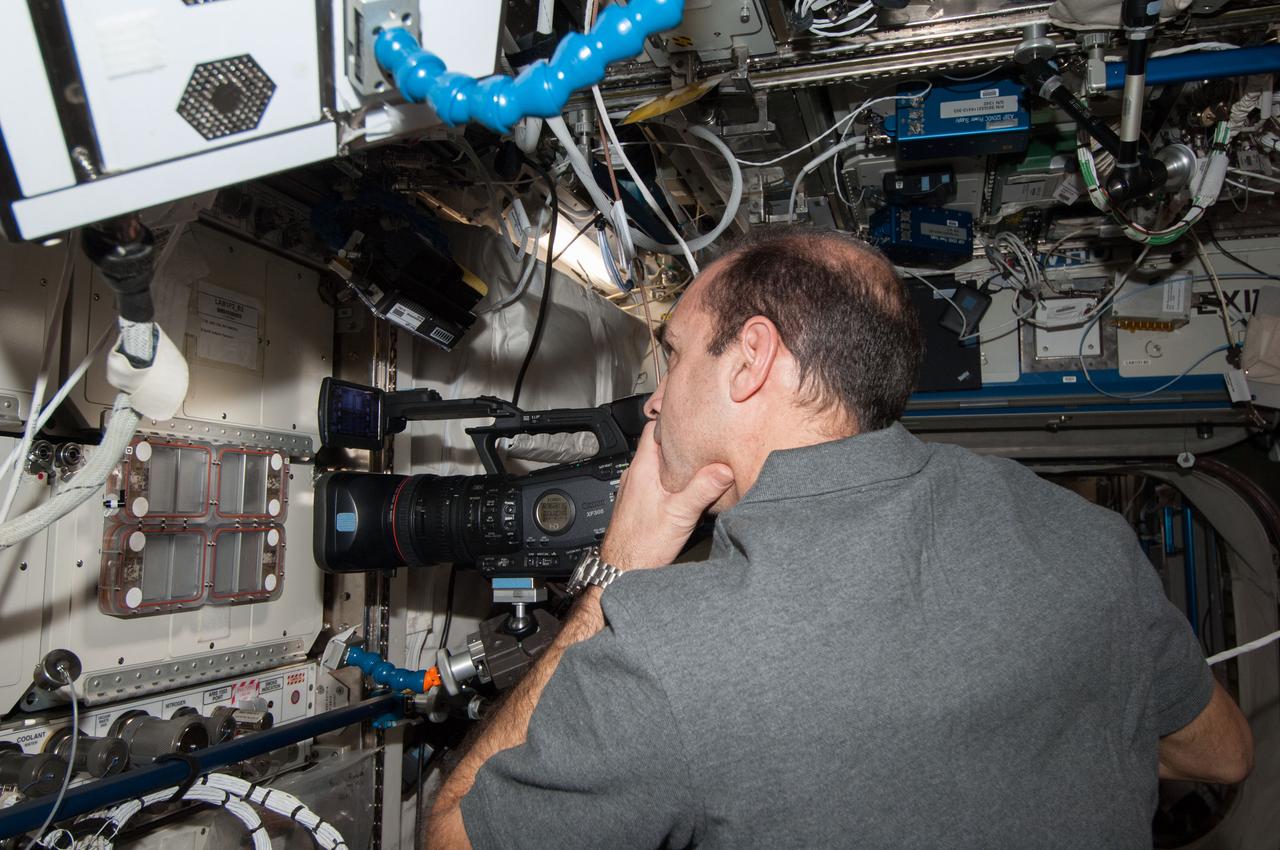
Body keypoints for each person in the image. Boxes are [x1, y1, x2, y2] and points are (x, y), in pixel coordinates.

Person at [424, 230, 1254, 849]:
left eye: (672, 355)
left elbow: (453, 838)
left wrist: (621, 573)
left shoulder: (674, 653)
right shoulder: (1087, 542)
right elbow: (1223, 754)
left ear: (751, 358)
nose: (655, 398)